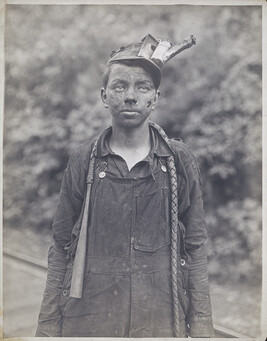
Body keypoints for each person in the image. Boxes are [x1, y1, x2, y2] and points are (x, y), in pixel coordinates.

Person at [36, 34, 214, 338]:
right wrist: (47, 328)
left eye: (142, 87)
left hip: (159, 320)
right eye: (120, 86)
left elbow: (196, 246)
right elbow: (62, 246)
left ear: (155, 98)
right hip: (90, 320)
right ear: (105, 96)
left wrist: (201, 329)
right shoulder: (84, 161)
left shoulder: (177, 161)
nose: (130, 96)